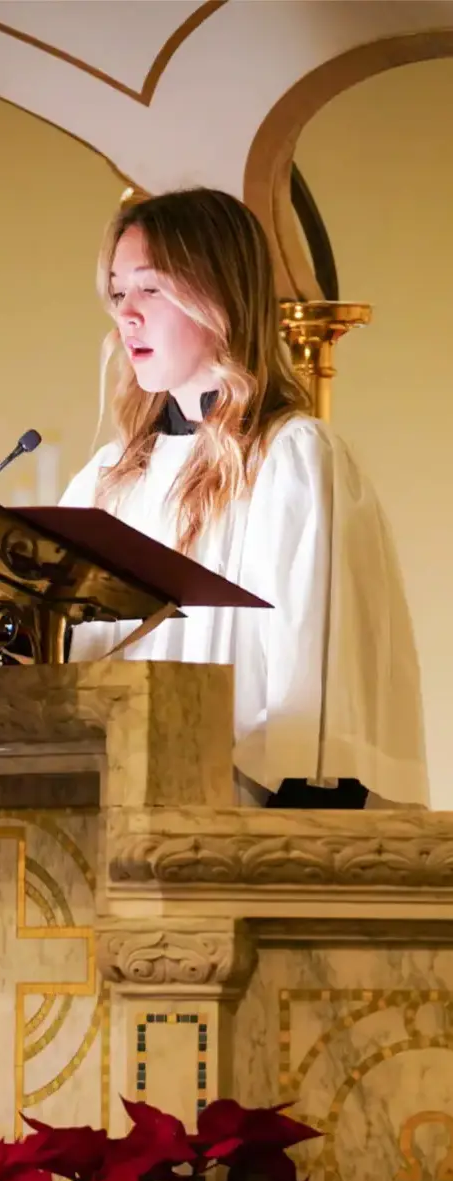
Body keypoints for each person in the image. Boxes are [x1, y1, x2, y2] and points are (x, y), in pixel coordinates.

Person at [59, 188, 428, 809]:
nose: (127, 315)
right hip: (102, 831)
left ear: (220, 294)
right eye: (118, 292)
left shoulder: (293, 461)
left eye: (151, 288)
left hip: (241, 841)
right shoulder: (106, 482)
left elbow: (324, 695)